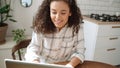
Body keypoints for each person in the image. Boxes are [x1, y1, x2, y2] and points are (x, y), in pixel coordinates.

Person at [25, 0, 85, 68]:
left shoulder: (77, 27)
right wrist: (35, 63)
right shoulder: (41, 25)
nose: (57, 17)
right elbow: (33, 49)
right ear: (49, 11)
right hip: (43, 64)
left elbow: (80, 51)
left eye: (63, 13)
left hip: (65, 65)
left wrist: (69, 65)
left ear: (70, 12)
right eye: (54, 12)